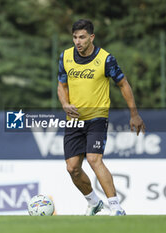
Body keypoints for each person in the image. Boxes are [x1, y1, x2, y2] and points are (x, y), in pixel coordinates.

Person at [57, 19, 145, 216]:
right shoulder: (65, 57)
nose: (77, 41)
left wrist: (134, 114)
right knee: (72, 169)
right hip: (74, 120)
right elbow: (61, 86)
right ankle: (94, 202)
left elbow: (123, 84)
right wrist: (64, 104)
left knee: (94, 159)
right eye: (74, 37)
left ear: (91, 37)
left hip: (97, 117)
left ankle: (115, 207)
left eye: (82, 37)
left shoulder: (105, 59)